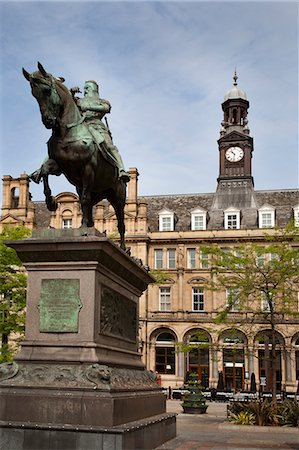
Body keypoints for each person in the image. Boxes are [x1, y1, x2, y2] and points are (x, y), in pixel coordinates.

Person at [71, 80, 130, 182]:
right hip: (82, 126)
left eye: (88, 88)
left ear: (94, 89)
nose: (85, 90)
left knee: (110, 147)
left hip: (97, 126)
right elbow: (67, 103)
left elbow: (106, 108)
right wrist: (71, 92)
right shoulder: (78, 101)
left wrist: (87, 107)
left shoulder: (102, 101)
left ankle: (121, 169)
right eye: (84, 88)